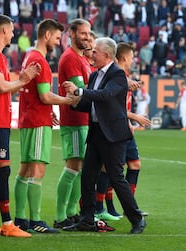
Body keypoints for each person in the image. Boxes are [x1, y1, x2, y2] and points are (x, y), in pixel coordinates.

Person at [64, 37, 147, 234]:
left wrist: (79, 91)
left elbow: (105, 96)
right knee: (88, 176)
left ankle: (137, 219)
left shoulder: (117, 75)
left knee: (116, 177)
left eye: (95, 52)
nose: (92, 54)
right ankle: (87, 220)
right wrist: (73, 101)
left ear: (107, 55)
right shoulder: (95, 75)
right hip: (97, 132)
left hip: (114, 135)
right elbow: (91, 103)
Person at [0, 14, 40, 238]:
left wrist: (21, 82)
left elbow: (3, 86)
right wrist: (23, 80)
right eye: (12, 30)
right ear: (4, 30)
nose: (13, 34)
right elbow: (2, 86)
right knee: (2, 168)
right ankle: (7, 223)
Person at [14, 18, 75, 234]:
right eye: (57, 38)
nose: (58, 42)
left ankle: (20, 218)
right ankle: (36, 221)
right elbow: (45, 96)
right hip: (37, 121)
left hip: (29, 118)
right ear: (47, 35)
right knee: (37, 169)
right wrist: (68, 100)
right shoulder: (40, 61)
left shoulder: (29, 56)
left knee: (25, 169)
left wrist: (50, 111)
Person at [95, 42, 151, 219]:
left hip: (124, 127)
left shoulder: (123, 76)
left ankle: (127, 208)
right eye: (132, 56)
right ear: (125, 57)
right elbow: (111, 105)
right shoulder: (115, 76)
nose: (134, 59)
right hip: (115, 128)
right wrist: (133, 117)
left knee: (132, 165)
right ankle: (102, 207)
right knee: (109, 168)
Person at [54, 18, 92, 229]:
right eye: (83, 33)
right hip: (74, 119)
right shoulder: (70, 58)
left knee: (81, 166)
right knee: (74, 165)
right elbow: (80, 90)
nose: (86, 37)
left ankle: (71, 211)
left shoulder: (82, 59)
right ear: (72, 34)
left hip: (84, 119)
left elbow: (86, 88)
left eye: (88, 33)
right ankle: (60, 216)